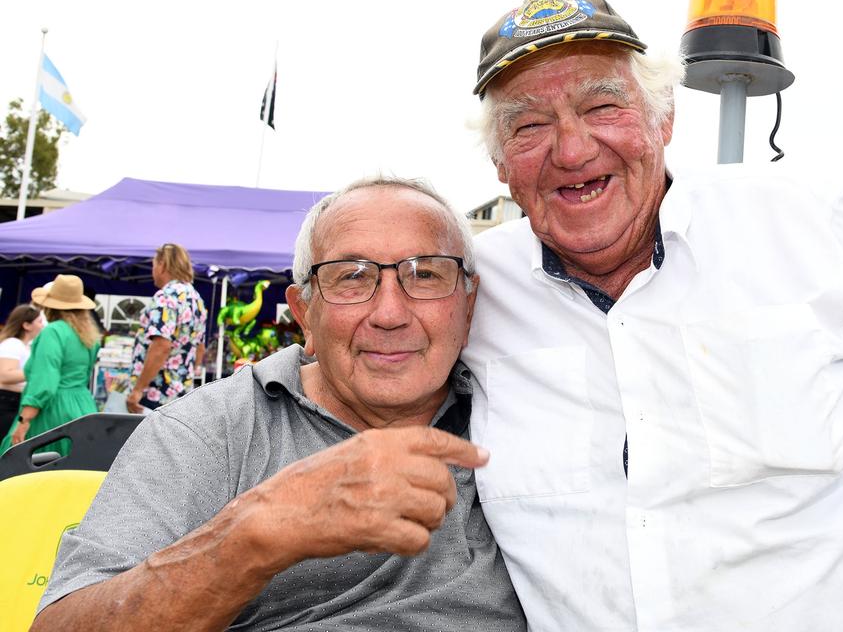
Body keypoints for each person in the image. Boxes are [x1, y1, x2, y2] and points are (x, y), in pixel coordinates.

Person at [461, 0, 843, 631]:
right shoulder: (470, 290)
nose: (571, 149)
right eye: (528, 126)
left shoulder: (806, 221)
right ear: (501, 164)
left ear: (662, 119)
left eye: (602, 106)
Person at [33, 177, 525, 632]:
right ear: (305, 314)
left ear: (468, 306)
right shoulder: (210, 431)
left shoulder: (526, 414)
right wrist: (252, 535)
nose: (390, 313)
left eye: (426, 274)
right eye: (352, 277)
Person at [0, 275, 102, 456]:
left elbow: (45, 382)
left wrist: (24, 420)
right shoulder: (89, 335)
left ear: (50, 305)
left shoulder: (52, 332)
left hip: (53, 410)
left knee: (18, 463)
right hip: (83, 407)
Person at [126, 243, 208, 413]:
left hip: (156, 395)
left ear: (162, 265)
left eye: (154, 265)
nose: (153, 270)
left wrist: (138, 389)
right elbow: (200, 348)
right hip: (182, 395)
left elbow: (161, 346)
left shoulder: (165, 297)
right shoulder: (196, 299)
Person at [0, 304, 46, 437]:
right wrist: (38, 373)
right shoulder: (12, 344)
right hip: (7, 403)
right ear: (26, 325)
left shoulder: (23, 346)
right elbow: (4, 375)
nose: (42, 326)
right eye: (39, 322)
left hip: (13, 402)